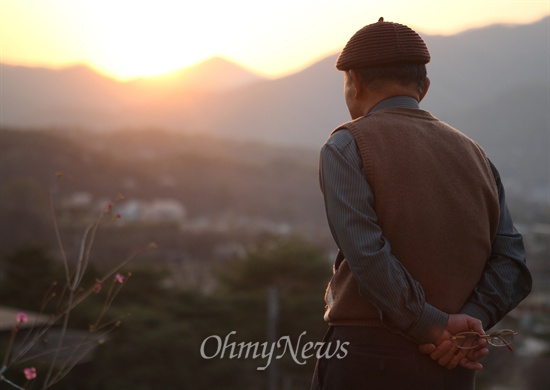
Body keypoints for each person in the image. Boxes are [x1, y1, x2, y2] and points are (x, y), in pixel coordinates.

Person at [311, 18, 532, 390]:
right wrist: (466, 322)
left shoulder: (347, 146)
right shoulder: (476, 155)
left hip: (365, 358)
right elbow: (511, 261)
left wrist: (431, 326)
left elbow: (367, 254)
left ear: (355, 82)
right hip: (453, 363)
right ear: (423, 87)